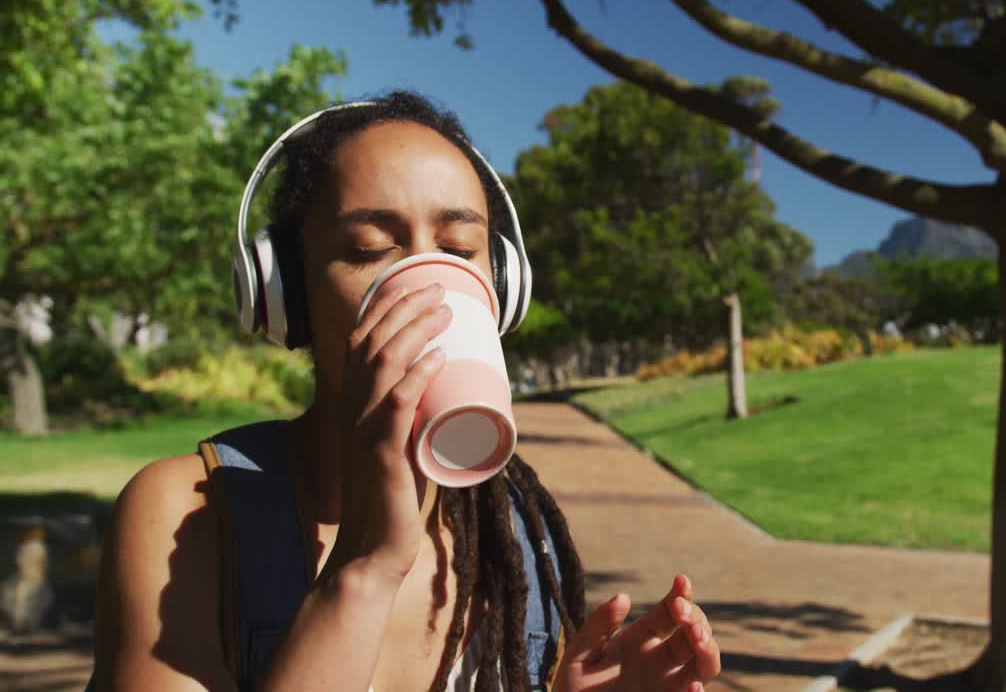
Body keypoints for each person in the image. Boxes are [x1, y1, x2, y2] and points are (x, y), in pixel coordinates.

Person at [88, 91, 722, 691]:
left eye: (457, 248)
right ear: (284, 294)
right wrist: (362, 569)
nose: (424, 285)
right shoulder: (185, 516)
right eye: (370, 249)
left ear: (502, 287)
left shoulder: (519, 530)